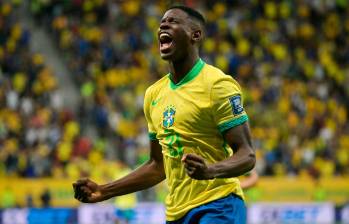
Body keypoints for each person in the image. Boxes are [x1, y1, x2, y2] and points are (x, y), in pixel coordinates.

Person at [73, 5, 255, 224]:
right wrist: (104, 191)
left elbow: (247, 155)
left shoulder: (217, 85)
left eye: (173, 21)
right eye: (161, 23)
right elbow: (157, 166)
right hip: (176, 213)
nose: (163, 25)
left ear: (194, 35)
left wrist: (210, 170)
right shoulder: (154, 94)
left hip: (219, 204)